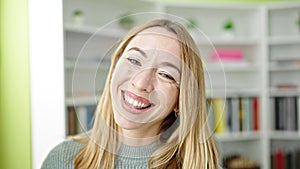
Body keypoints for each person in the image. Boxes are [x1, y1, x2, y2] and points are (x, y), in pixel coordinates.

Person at [41, 19, 219, 169]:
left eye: (165, 74)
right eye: (134, 60)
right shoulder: (62, 160)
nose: (141, 83)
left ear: (181, 99)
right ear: (113, 70)